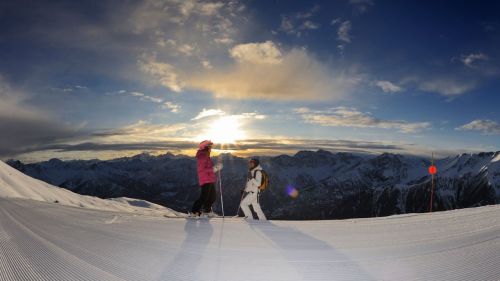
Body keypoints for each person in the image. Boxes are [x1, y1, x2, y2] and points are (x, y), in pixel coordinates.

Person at [190, 140, 222, 217]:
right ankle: (194, 212)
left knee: (212, 196)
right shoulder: (202, 156)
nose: (211, 148)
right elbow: (202, 169)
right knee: (204, 197)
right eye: (210, 147)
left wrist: (215, 168)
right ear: (206, 147)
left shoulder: (206, 156)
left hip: (209, 179)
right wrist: (214, 169)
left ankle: (206, 210)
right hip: (205, 179)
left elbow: (208, 167)